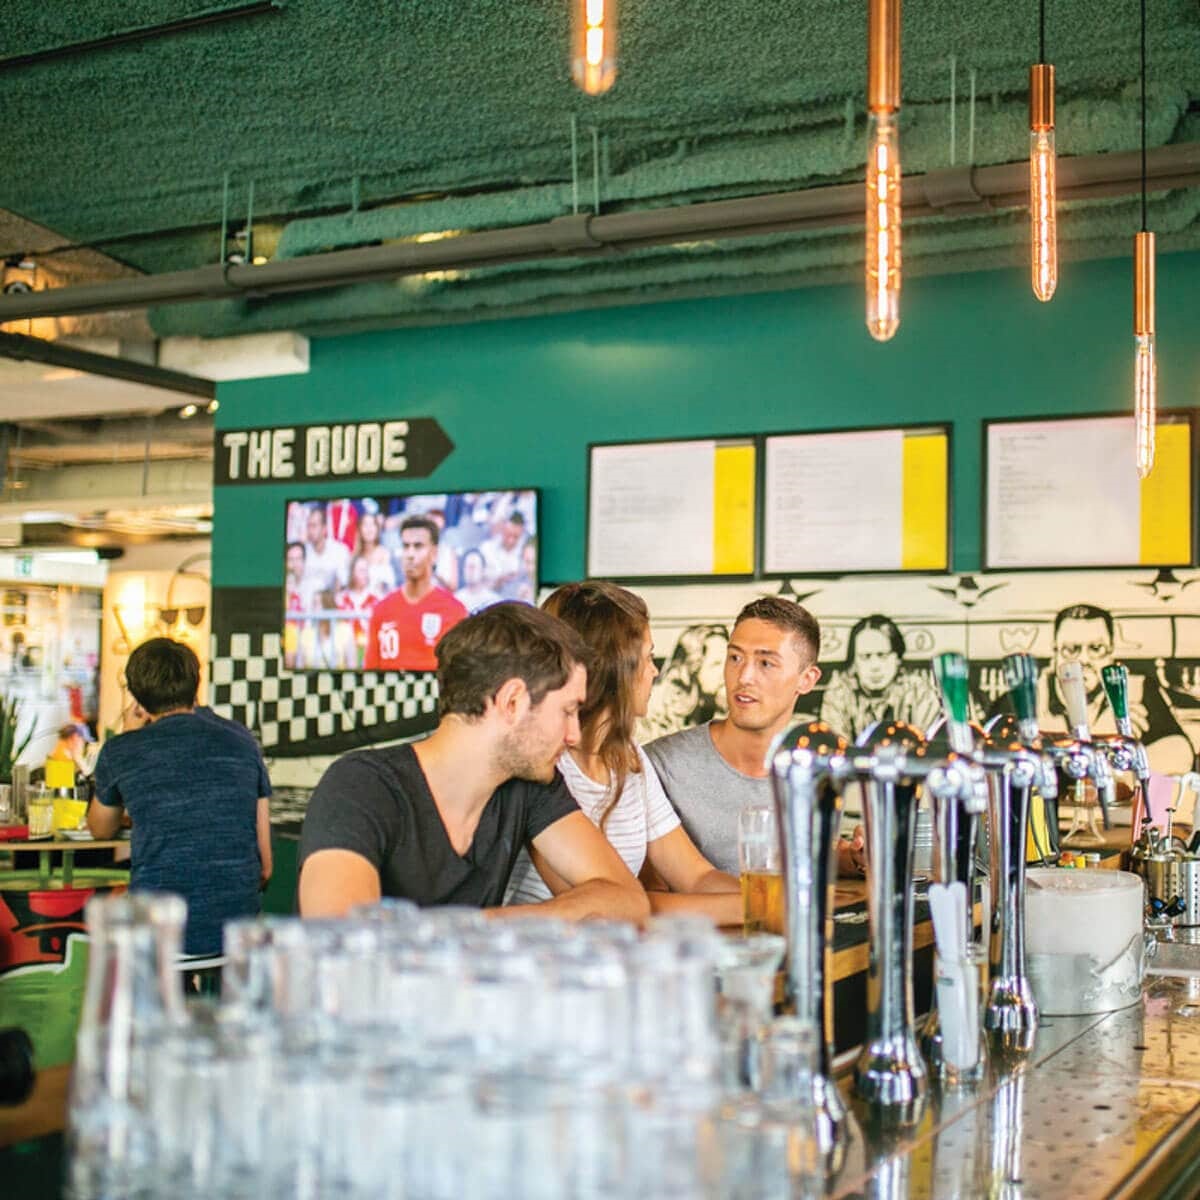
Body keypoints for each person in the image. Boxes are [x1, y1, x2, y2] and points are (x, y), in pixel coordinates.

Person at [298, 602, 649, 923]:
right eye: (568, 711)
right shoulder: (361, 786)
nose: (573, 734)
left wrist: (480, 930)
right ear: (511, 702)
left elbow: (627, 900)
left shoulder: (529, 783)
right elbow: (342, 942)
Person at [506, 582, 741, 924]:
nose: (655, 671)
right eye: (647, 657)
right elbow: (605, 909)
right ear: (615, 668)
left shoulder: (628, 757)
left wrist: (775, 897)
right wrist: (756, 909)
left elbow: (695, 875)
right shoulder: (541, 765)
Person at [646, 597, 865, 877]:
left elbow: (808, 857)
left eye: (766, 663)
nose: (744, 676)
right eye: (735, 658)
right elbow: (646, 897)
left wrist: (856, 856)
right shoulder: (661, 766)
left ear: (806, 680)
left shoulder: (818, 766)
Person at [87, 638, 273, 960]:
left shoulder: (122, 750)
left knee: (115, 912)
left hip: (162, 930)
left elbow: (100, 830)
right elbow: (265, 867)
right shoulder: (242, 740)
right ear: (195, 685)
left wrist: (131, 737)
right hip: (238, 929)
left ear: (137, 698)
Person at [1035, 603, 1193, 774]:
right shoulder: (1029, 697)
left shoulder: (1135, 689)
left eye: (1096, 649)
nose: (1083, 659)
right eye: (1071, 650)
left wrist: (1120, 765)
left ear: (1111, 652)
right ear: (1055, 652)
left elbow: (1180, 752)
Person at [364, 515, 469, 671]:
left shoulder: (454, 611)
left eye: (418, 546)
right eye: (406, 546)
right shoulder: (382, 610)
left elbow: (461, 675)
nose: (410, 554)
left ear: (434, 554)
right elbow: (370, 673)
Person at [819, 614, 942, 743]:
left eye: (882, 655)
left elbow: (928, 748)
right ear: (854, 663)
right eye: (865, 656)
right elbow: (838, 751)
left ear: (897, 659)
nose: (875, 666)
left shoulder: (918, 690)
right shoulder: (839, 692)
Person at [639, 622, 729, 740]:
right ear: (692, 668)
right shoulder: (655, 708)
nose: (726, 672)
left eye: (728, 662)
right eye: (715, 664)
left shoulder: (712, 701)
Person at [302, 503, 351, 595]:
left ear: (324, 528)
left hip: (330, 604)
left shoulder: (340, 551)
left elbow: (342, 585)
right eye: (308, 526)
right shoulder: (303, 551)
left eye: (314, 526)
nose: (310, 531)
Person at [353, 506, 397, 596]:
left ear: (377, 528)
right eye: (365, 525)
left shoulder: (387, 554)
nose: (369, 529)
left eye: (372, 524)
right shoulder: (354, 557)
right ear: (359, 529)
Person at [480, 510, 527, 593]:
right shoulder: (486, 548)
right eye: (508, 535)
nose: (511, 541)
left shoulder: (526, 554)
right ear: (502, 529)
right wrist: (496, 583)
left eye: (516, 537)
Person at [454, 547, 503, 615]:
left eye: (473, 567)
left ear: (483, 570)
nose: (470, 571)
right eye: (467, 567)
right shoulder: (456, 599)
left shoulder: (494, 600)